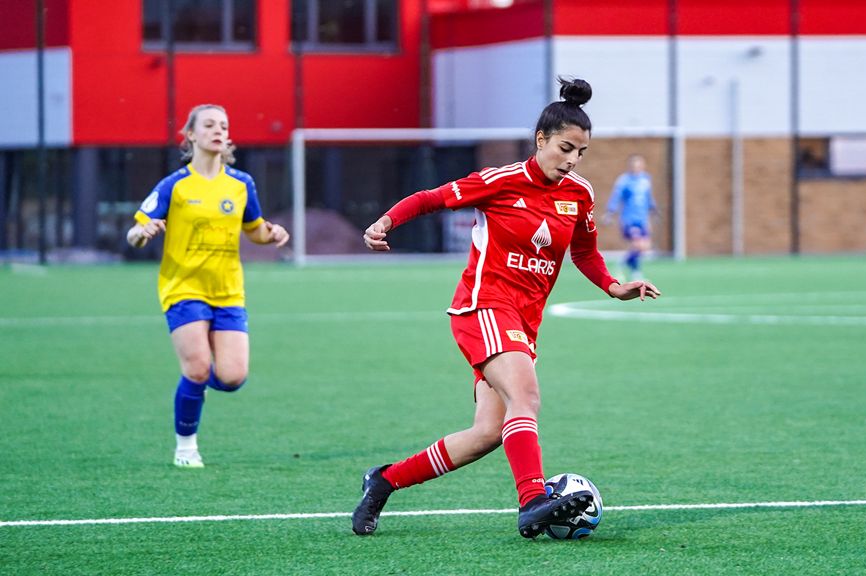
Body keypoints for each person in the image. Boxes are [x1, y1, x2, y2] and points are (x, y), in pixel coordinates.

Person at [353, 78, 661, 539]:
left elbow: (584, 253)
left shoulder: (579, 195)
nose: (573, 159)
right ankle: (533, 500)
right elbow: (431, 198)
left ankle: (383, 481)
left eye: (581, 152)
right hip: (483, 306)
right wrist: (385, 221)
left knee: (487, 433)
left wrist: (614, 286)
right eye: (565, 147)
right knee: (527, 398)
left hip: (523, 322)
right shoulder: (501, 181)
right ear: (541, 140)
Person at [126, 104, 290, 467]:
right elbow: (135, 233)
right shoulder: (175, 186)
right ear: (191, 135)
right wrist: (143, 232)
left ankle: (193, 383)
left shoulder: (241, 183)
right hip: (183, 287)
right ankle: (186, 447)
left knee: (232, 377)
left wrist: (272, 233)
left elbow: (255, 229)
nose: (218, 130)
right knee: (198, 367)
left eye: (224, 126)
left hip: (228, 289)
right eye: (210, 125)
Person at [604, 154, 657, 281]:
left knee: (644, 246)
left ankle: (633, 272)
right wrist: (609, 213)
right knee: (638, 245)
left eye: (639, 165)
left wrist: (653, 209)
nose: (637, 167)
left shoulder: (646, 179)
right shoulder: (624, 181)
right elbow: (616, 197)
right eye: (634, 165)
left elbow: (648, 198)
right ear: (630, 166)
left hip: (642, 219)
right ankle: (624, 268)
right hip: (629, 219)